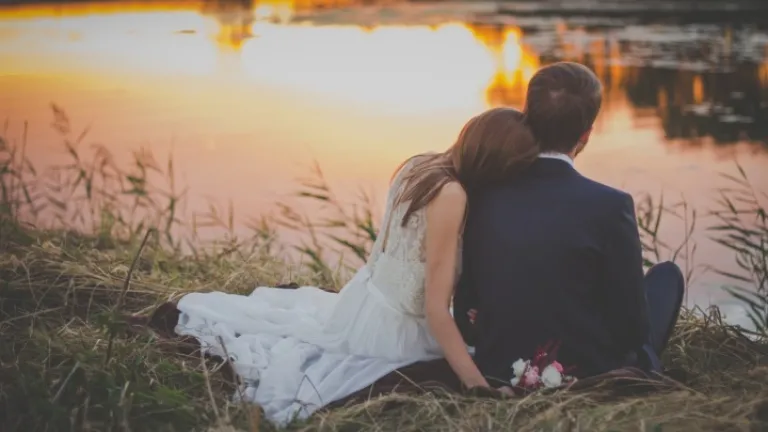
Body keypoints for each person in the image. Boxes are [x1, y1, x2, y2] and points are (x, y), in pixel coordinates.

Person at [167, 107, 539, 424]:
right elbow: (435, 309)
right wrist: (477, 387)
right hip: (397, 332)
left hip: (363, 302)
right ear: (496, 165)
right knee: (476, 361)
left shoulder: (422, 164)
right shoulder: (452, 195)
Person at [453, 62, 686, 383]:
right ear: (586, 134)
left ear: (527, 118)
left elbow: (464, 310)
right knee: (666, 278)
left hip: (499, 365)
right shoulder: (611, 205)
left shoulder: (480, 195)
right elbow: (631, 328)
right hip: (584, 368)